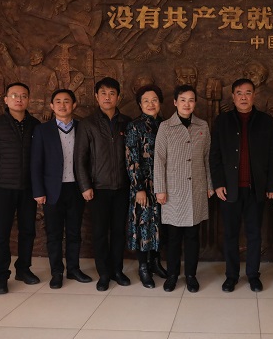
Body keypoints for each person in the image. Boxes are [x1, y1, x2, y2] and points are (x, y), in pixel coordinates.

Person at [210, 78, 273, 293]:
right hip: (229, 189)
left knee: (254, 234)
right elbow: (215, 155)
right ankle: (231, 276)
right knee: (230, 234)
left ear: (254, 96)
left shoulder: (266, 121)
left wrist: (272, 185)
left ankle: (253, 275)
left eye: (248, 93)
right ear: (233, 97)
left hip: (256, 188)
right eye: (239, 93)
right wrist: (218, 183)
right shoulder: (222, 121)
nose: (243, 97)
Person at [0, 82, 40, 295]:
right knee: (0, 233)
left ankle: (23, 269)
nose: (19, 99)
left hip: (28, 188)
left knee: (28, 231)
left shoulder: (35, 124)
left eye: (23, 96)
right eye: (14, 95)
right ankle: (0, 276)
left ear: (28, 100)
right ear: (6, 100)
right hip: (2, 187)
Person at [154, 84, 214, 293]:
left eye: (191, 100)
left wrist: (209, 185)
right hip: (173, 191)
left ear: (195, 103)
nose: (187, 104)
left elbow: (207, 158)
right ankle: (172, 275)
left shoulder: (202, 126)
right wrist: (160, 189)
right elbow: (159, 160)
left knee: (192, 236)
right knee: (173, 237)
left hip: (196, 189)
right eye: (183, 100)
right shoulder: (165, 127)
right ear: (175, 102)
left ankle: (190, 275)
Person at [74, 77, 132, 292]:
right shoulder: (88, 124)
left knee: (118, 232)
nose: (108, 97)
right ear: (96, 96)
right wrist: (85, 186)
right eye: (103, 93)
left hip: (122, 187)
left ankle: (117, 270)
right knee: (99, 233)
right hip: (98, 188)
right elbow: (80, 159)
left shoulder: (126, 122)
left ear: (118, 97)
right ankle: (104, 274)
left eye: (112, 93)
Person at [31, 89, 93, 289]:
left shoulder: (82, 127)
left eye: (67, 101)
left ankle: (73, 269)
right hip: (52, 190)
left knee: (74, 232)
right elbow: (36, 162)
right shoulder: (42, 130)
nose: (62, 105)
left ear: (74, 105)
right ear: (52, 106)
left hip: (76, 188)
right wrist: (38, 191)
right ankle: (56, 272)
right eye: (58, 101)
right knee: (54, 234)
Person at [125, 84, 168, 289]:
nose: (151, 104)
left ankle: (155, 263)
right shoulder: (135, 126)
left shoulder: (166, 125)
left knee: (159, 224)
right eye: (146, 101)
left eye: (154, 100)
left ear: (160, 102)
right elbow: (132, 159)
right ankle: (143, 267)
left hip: (163, 185)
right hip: (143, 185)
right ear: (140, 104)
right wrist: (138, 188)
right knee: (143, 225)